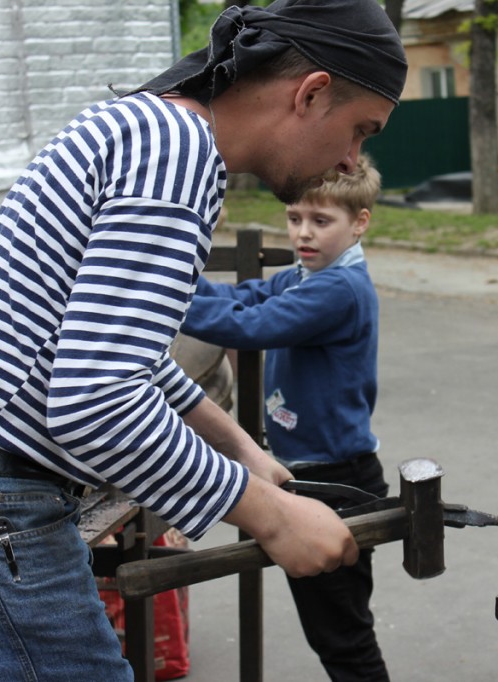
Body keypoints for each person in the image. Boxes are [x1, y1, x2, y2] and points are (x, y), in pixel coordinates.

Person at [0, 1, 408, 679]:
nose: (351, 157)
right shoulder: (178, 154)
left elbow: (131, 362)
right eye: (360, 130)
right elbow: (97, 400)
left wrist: (243, 452)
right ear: (311, 92)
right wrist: (270, 516)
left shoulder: (146, 127)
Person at [181, 153, 389, 681]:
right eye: (296, 218)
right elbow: (242, 296)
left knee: (341, 637)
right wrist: (174, 277)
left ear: (359, 222)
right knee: (337, 629)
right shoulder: (307, 275)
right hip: (313, 471)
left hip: (335, 479)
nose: (304, 233)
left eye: (322, 222)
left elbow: (252, 326)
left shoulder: (338, 289)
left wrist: (161, 300)